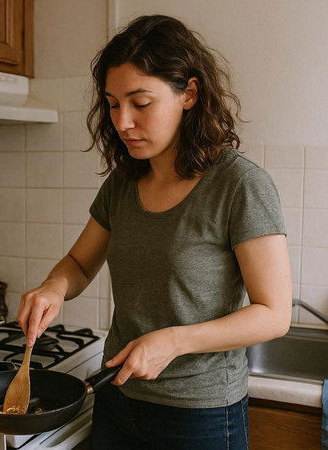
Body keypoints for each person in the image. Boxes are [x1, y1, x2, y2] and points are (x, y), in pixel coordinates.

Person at [17, 14, 292, 449]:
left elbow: (275, 314)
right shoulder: (123, 184)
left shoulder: (239, 185)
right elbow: (78, 263)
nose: (122, 121)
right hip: (117, 397)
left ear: (190, 93)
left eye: (140, 103)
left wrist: (173, 342)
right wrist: (53, 288)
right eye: (111, 103)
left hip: (200, 416)